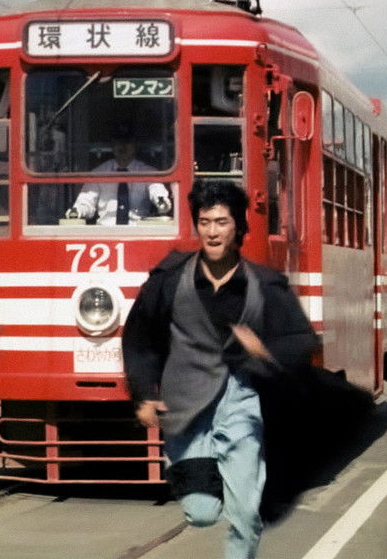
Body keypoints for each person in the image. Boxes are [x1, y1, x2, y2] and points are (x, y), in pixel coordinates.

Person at [122, 179, 319, 559]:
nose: (212, 231)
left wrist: (265, 350)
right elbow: (140, 338)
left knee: (245, 513)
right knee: (201, 513)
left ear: (238, 227)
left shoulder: (264, 284)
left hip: (241, 400)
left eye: (222, 222)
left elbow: (303, 339)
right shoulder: (168, 280)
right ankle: (203, 479)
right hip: (187, 404)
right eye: (205, 222)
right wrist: (144, 393)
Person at [66, 137, 172, 225]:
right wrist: (77, 211)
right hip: (105, 233)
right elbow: (86, 202)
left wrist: (161, 202)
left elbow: (156, 190)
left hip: (137, 231)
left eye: (127, 142)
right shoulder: (98, 173)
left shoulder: (148, 172)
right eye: (118, 142)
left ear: (134, 145)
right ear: (112, 146)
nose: (122, 147)